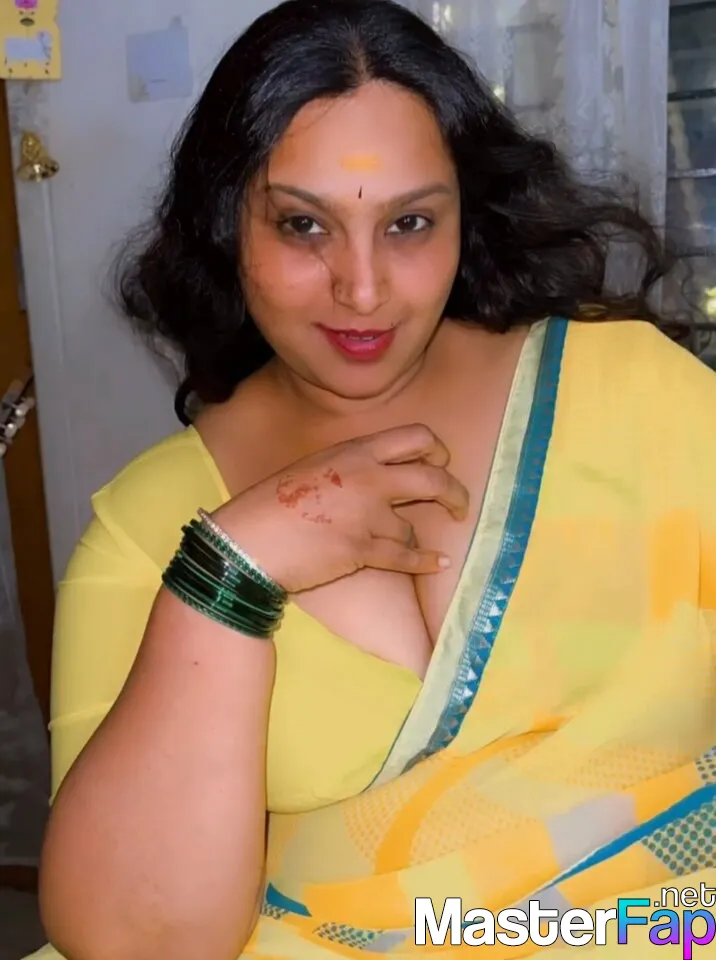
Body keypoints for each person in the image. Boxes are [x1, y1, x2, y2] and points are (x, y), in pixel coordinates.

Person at [26, 1, 716, 958]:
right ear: (227, 224)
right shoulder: (148, 526)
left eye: (409, 223)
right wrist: (228, 578)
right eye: (304, 225)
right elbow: (132, 940)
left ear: (465, 215)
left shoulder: (634, 394)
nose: (362, 289)